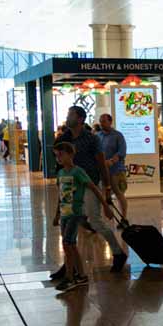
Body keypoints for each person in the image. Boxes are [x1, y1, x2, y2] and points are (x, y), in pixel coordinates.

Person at [53, 106, 126, 277]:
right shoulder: (65, 138)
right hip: (70, 186)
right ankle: (69, 265)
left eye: (70, 114)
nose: (67, 116)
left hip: (89, 183)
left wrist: (107, 188)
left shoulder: (91, 139)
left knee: (96, 221)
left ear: (80, 119)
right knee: (69, 226)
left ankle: (118, 253)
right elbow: (58, 159)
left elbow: (101, 164)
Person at [51, 141, 107, 293]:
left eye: (61, 155)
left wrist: (105, 206)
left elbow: (93, 188)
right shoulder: (61, 173)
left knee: (68, 243)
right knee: (70, 244)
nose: (59, 158)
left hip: (76, 213)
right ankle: (81, 275)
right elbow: (61, 196)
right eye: (56, 156)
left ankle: (70, 277)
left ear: (70, 154)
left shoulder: (78, 172)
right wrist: (57, 214)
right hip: (65, 213)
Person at [96, 113, 130, 212]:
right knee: (103, 195)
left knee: (119, 194)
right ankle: (107, 219)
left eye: (104, 121)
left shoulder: (118, 135)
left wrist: (111, 161)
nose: (101, 123)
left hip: (116, 171)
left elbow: (121, 152)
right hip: (102, 172)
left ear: (110, 122)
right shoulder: (98, 136)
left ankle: (123, 218)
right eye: (100, 121)